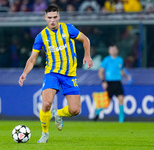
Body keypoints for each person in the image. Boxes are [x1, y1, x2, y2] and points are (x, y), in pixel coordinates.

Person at [19, 4, 93, 143]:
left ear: (58, 17)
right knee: (46, 103)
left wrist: (87, 56)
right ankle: (45, 134)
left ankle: (57, 113)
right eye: (49, 18)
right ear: (45, 18)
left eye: (55, 17)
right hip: (52, 73)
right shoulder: (41, 36)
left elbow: (85, 39)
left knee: (75, 110)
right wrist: (25, 73)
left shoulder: (68, 29)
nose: (52, 20)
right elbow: (32, 58)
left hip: (70, 75)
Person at [96, 45, 131, 123]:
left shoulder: (120, 60)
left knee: (121, 99)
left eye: (114, 49)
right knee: (107, 103)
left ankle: (121, 119)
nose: (113, 51)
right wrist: (103, 81)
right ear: (109, 51)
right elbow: (100, 71)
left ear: (117, 51)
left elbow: (121, 70)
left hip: (118, 82)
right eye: (111, 50)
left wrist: (126, 76)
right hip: (109, 83)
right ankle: (98, 111)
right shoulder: (106, 60)